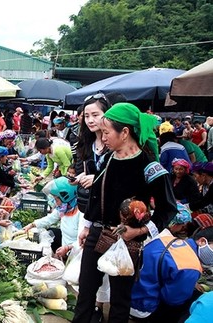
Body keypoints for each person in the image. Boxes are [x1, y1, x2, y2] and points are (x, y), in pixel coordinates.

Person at [72, 102, 177, 323]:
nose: (103, 136)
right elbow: (97, 195)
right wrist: (88, 226)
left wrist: (138, 231)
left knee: (120, 301)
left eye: (107, 131)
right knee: (85, 295)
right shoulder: (109, 159)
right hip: (97, 235)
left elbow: (168, 209)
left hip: (126, 242)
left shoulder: (150, 167)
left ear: (125, 132)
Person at [129, 227, 213, 322]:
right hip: (142, 306)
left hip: (126, 294)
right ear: (202, 241)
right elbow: (172, 300)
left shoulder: (167, 238)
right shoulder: (191, 266)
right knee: (197, 300)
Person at [23, 176, 82, 257]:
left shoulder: (81, 213)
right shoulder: (64, 208)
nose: (55, 202)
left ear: (66, 196)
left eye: (56, 199)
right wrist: (32, 224)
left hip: (76, 253)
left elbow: (82, 241)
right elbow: (50, 218)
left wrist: (68, 248)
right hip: (65, 248)